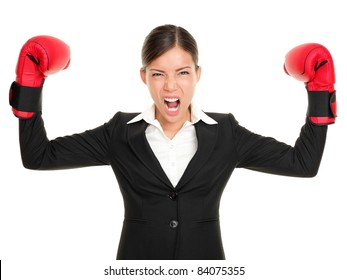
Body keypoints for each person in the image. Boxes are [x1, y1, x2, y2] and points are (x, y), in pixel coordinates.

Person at [9, 24, 336, 260]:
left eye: (182, 73)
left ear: (197, 74)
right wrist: (29, 87)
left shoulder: (226, 132)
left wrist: (320, 93)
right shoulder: (119, 131)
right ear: (144, 76)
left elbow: (302, 164)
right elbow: (39, 156)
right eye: (158, 73)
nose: (170, 87)